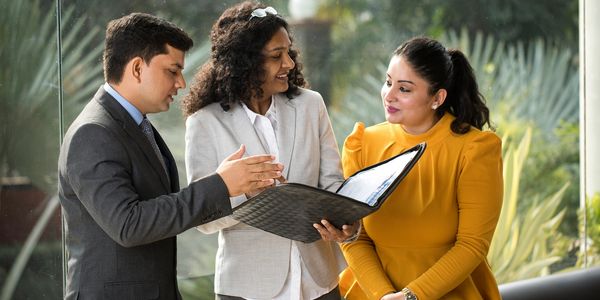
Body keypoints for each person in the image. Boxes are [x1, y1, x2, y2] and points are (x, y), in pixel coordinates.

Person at [58, 12, 284, 300]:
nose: (181, 83)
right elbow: (129, 225)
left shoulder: (136, 125)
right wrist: (221, 185)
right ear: (137, 68)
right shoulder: (92, 132)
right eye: (172, 71)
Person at [181, 2, 358, 299]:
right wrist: (245, 193)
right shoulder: (205, 123)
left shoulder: (311, 104)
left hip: (318, 283)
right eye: (277, 56)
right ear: (245, 62)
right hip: (248, 286)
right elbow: (204, 219)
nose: (288, 63)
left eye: (289, 52)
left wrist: (348, 223)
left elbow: (332, 184)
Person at [338, 36, 504, 300]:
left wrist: (411, 296)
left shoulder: (475, 149)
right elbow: (356, 238)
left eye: (404, 89)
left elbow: (472, 245)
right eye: (388, 82)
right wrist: (384, 295)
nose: (388, 95)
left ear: (437, 97)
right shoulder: (362, 145)